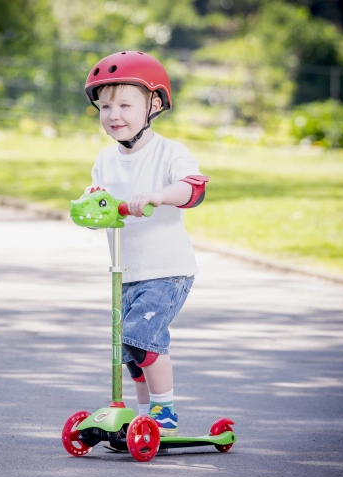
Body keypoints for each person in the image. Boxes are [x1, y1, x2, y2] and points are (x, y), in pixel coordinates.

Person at [84, 51, 208, 437]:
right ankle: (143, 417)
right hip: (126, 273)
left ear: (154, 104)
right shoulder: (105, 159)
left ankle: (164, 413)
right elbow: (97, 198)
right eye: (106, 106)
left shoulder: (170, 152)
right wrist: (91, 201)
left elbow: (192, 188)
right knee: (130, 351)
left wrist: (158, 196)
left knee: (142, 337)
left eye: (125, 105)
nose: (114, 114)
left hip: (166, 272)